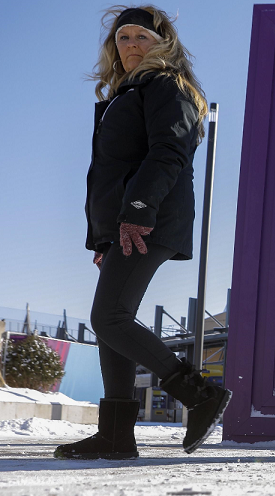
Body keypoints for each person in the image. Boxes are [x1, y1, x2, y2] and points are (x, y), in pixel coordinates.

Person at [55, 6, 231, 460]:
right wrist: (104, 237)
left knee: (109, 318)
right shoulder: (127, 91)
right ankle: (115, 435)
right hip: (128, 224)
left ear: (162, 43)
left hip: (149, 218)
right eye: (123, 37)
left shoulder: (166, 85)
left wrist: (137, 212)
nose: (131, 44)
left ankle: (201, 396)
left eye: (141, 37)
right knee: (114, 323)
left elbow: (168, 152)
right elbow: (114, 170)